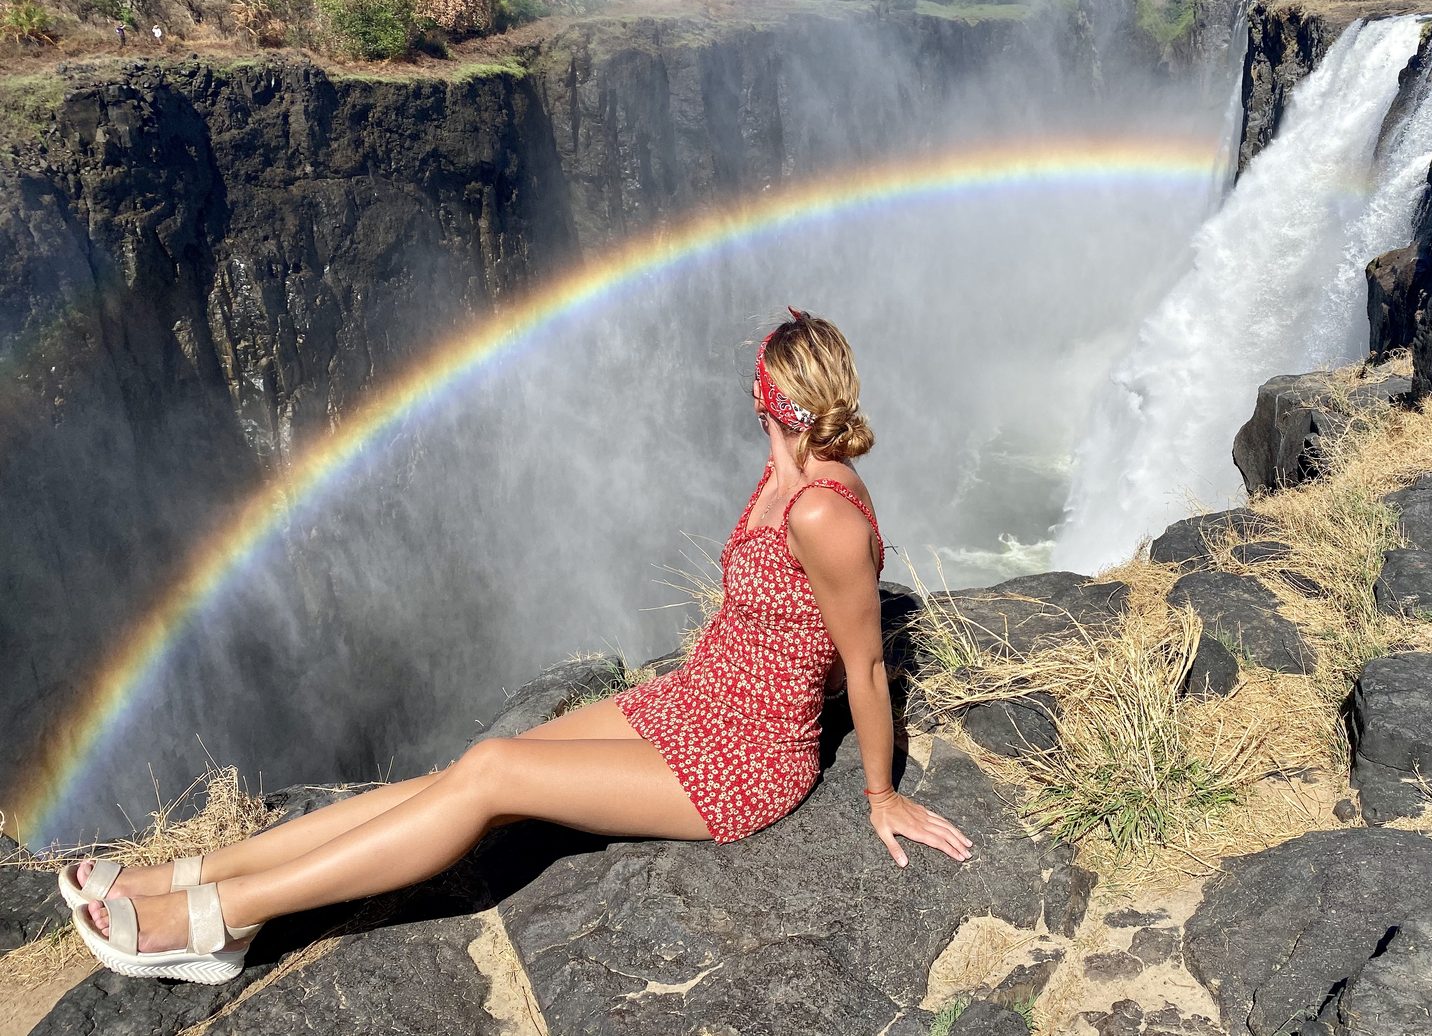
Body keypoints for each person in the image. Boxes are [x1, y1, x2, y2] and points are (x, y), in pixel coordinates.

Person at [61, 309, 972, 984]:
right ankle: (185, 873)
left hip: (741, 763)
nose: (754, 410)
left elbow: (861, 664)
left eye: (760, 399)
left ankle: (222, 921)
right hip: (691, 702)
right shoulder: (783, 475)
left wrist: (880, 793)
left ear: (784, 407)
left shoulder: (823, 512)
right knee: (458, 777)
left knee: (493, 773)